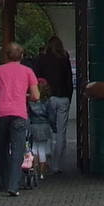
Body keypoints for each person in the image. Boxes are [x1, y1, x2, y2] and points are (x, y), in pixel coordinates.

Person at [0, 41, 40, 197]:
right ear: (21, 56)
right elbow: (36, 95)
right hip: (19, 114)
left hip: (1, 113)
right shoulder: (28, 71)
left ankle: (5, 180)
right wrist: (25, 96)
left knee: (1, 149)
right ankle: (14, 185)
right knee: (18, 150)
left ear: (6, 55)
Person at [33, 35, 74, 174]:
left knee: (48, 128)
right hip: (63, 97)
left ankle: (45, 160)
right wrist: (69, 96)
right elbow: (69, 79)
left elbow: (37, 79)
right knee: (61, 132)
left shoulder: (42, 59)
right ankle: (57, 165)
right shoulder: (64, 59)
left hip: (47, 98)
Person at [26, 78, 54, 177]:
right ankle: (41, 173)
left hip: (33, 126)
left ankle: (34, 169)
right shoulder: (48, 102)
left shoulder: (30, 101)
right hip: (44, 126)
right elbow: (51, 116)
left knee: (33, 149)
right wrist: (53, 126)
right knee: (42, 149)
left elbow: (27, 115)